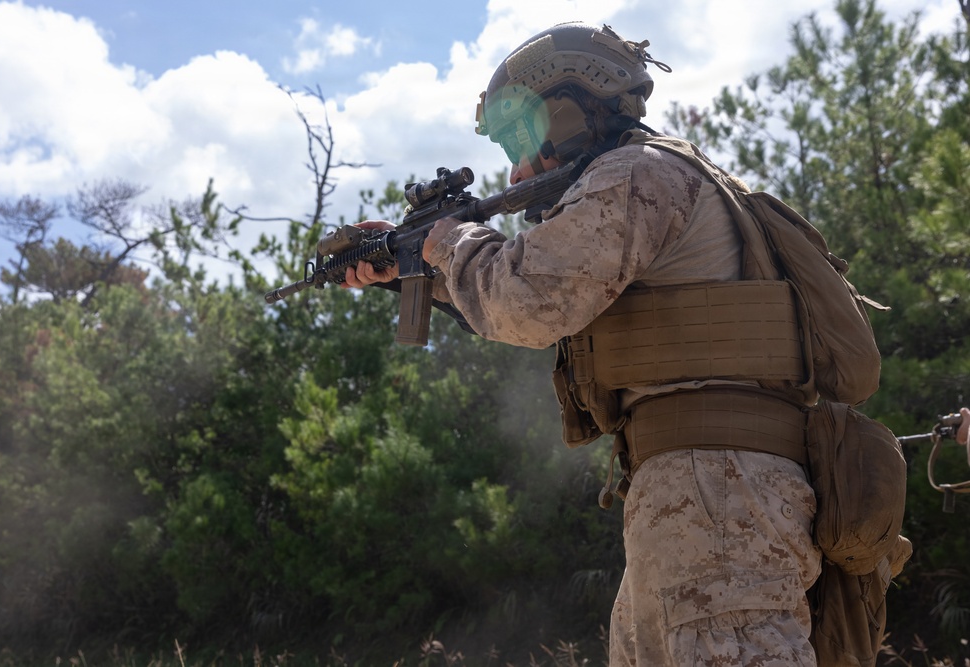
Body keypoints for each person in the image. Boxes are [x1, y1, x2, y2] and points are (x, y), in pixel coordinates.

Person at [343, 22, 823, 666]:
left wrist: (444, 244)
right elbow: (534, 287)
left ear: (568, 110)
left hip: (718, 496)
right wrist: (417, 273)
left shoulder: (637, 175)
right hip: (701, 497)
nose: (515, 168)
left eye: (522, 137)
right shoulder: (645, 180)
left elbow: (527, 302)